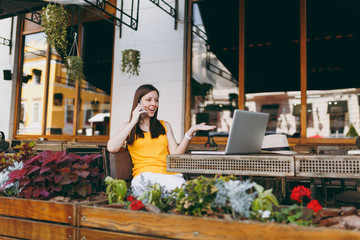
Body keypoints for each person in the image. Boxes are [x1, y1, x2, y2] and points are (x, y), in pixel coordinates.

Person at [107, 84, 216, 195]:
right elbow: (112, 147)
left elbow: (175, 155)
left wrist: (189, 133)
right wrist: (133, 121)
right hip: (144, 178)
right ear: (138, 102)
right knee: (185, 190)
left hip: (170, 176)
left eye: (156, 100)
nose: (154, 104)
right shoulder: (128, 126)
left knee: (183, 189)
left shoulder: (164, 125)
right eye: (148, 100)